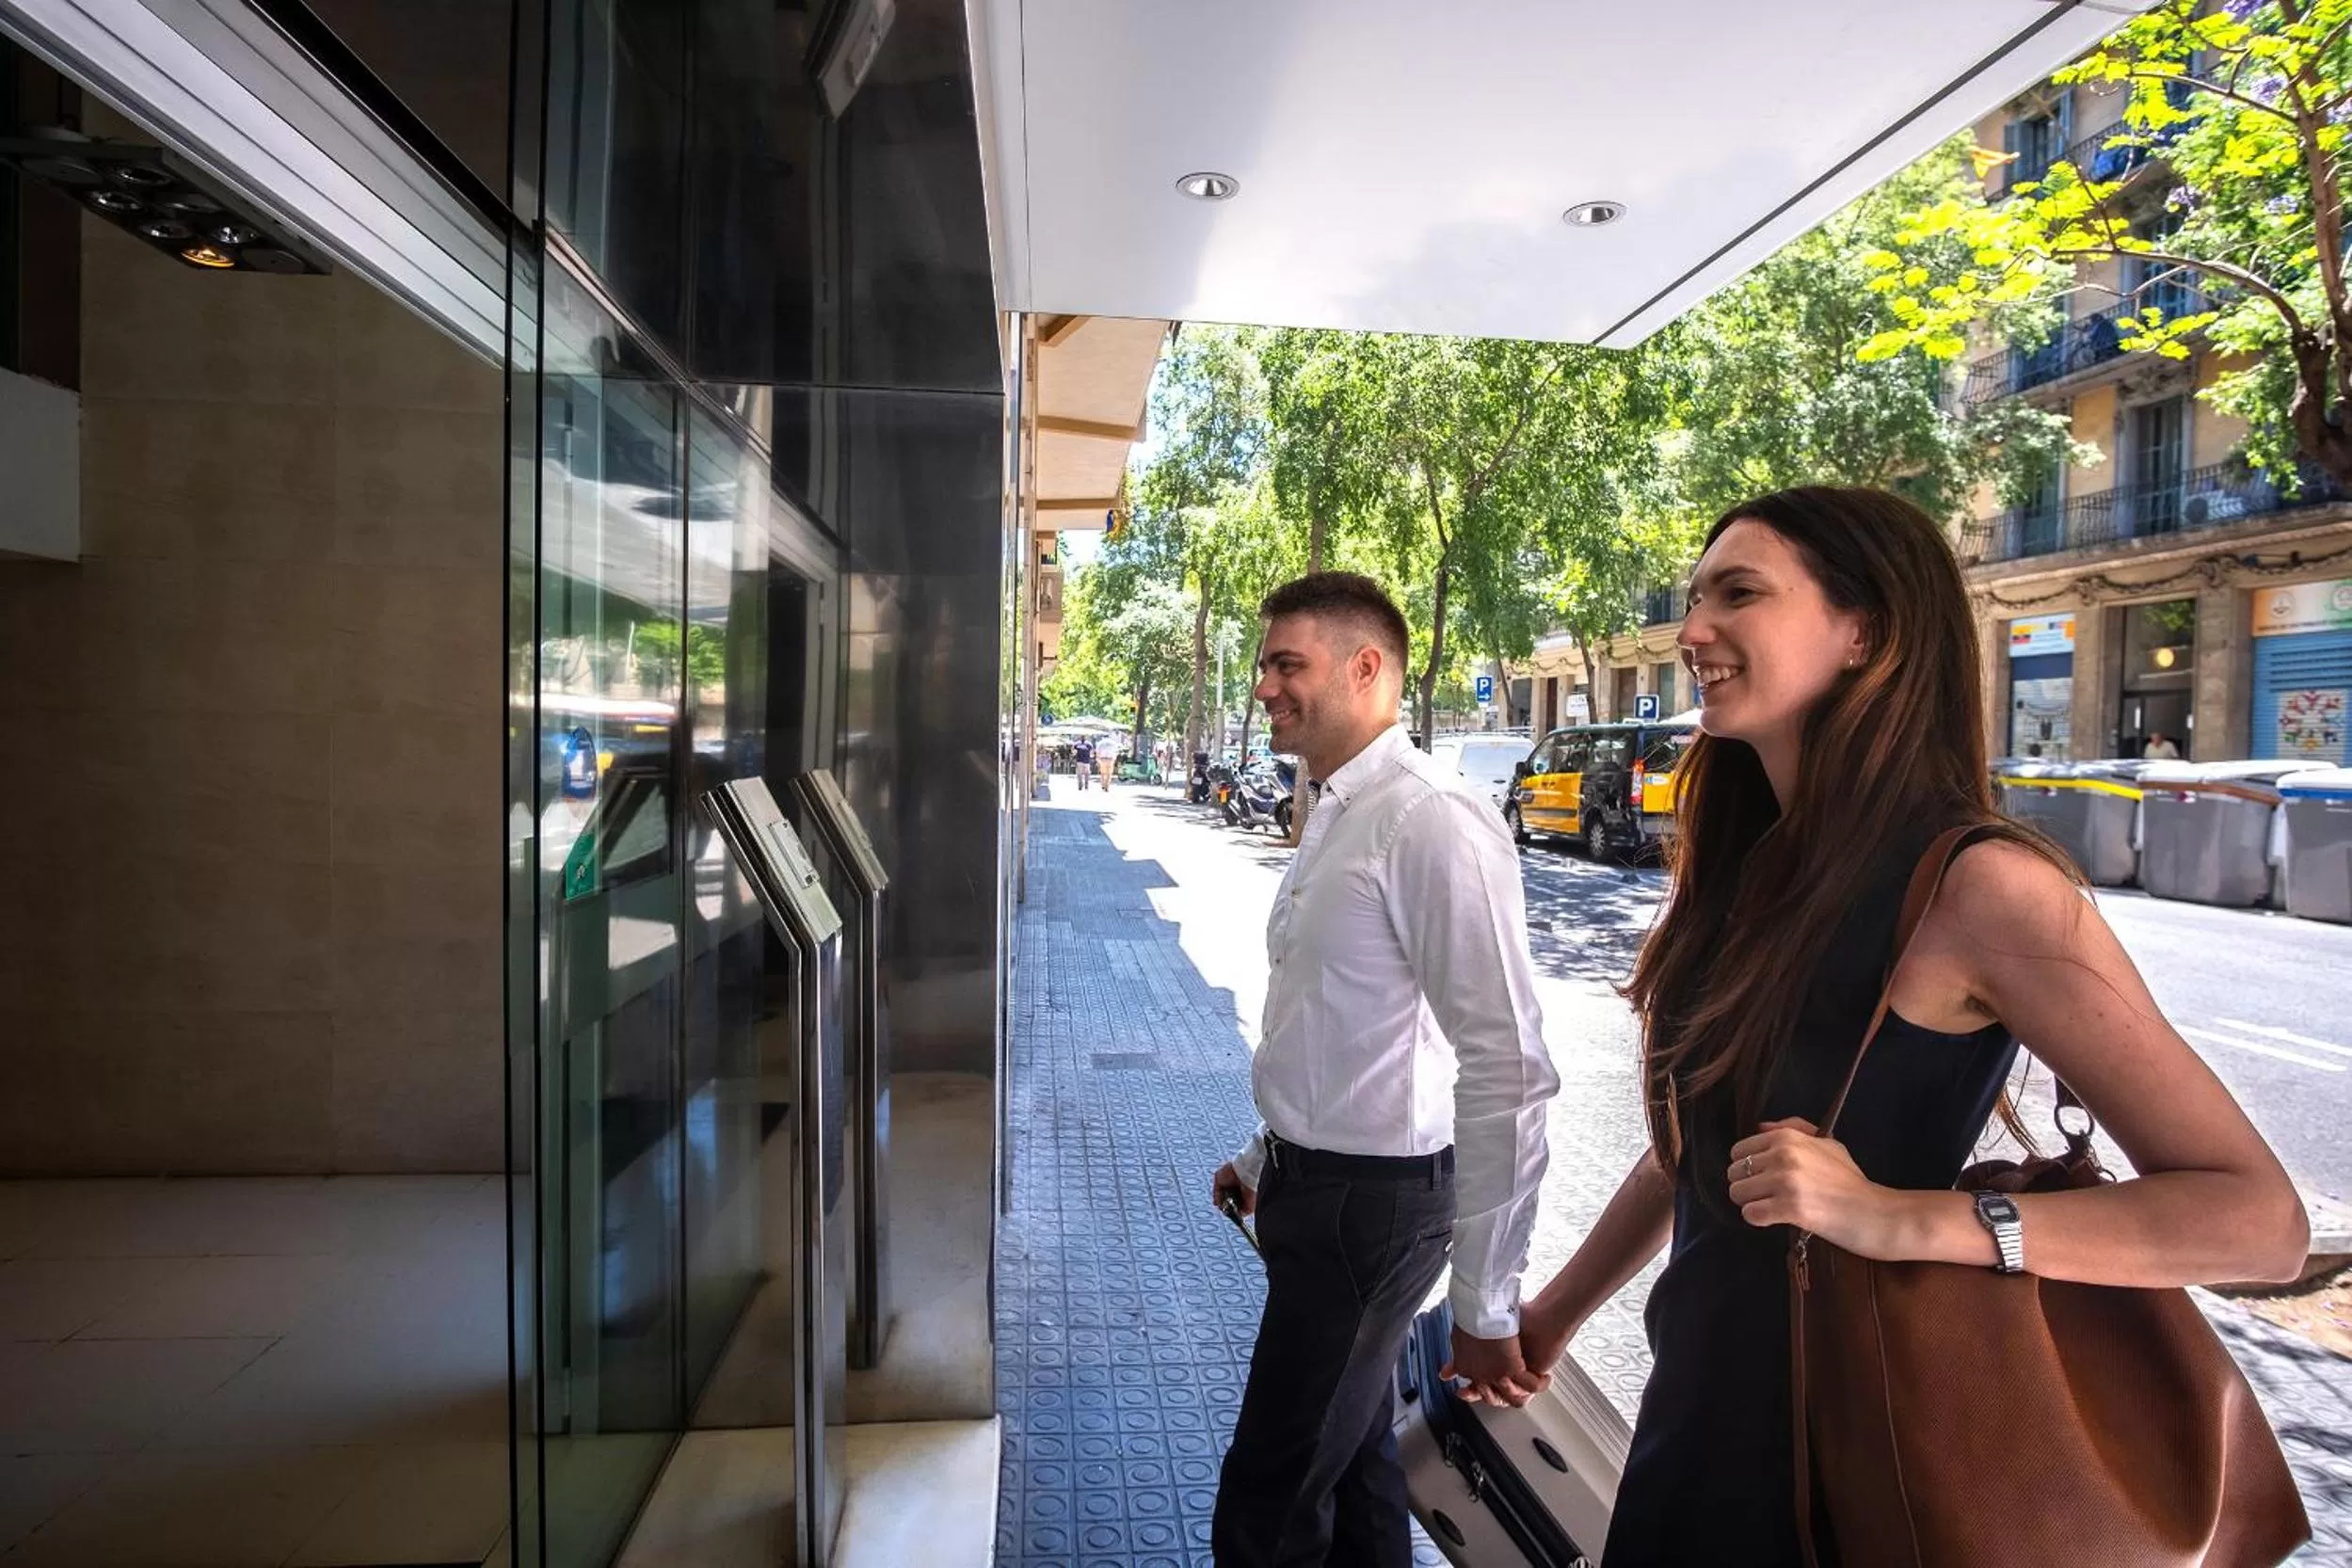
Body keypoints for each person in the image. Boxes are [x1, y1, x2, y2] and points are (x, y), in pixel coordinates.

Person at [1505, 488, 2306, 1566]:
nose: (1693, 631)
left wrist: (1903, 1218)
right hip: (1696, 1434)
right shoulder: (1752, 865)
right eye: (1698, 599)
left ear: (1867, 631)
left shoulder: (1980, 888)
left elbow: (2259, 1220)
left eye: (1738, 594)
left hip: (1854, 1470)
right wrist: (1555, 1314)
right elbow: (1702, 1145)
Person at [1209, 571, 1560, 1568]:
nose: (1265, 686)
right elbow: (1342, 1023)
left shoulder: (1430, 818)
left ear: (1367, 668)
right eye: (1264, 664)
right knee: (1359, 1468)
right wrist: (1264, 1151)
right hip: (1318, 1192)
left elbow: (1510, 1063)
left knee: (1267, 1506)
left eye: (1288, 664)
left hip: (1372, 1217)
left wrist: (1488, 1305)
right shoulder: (1340, 806)